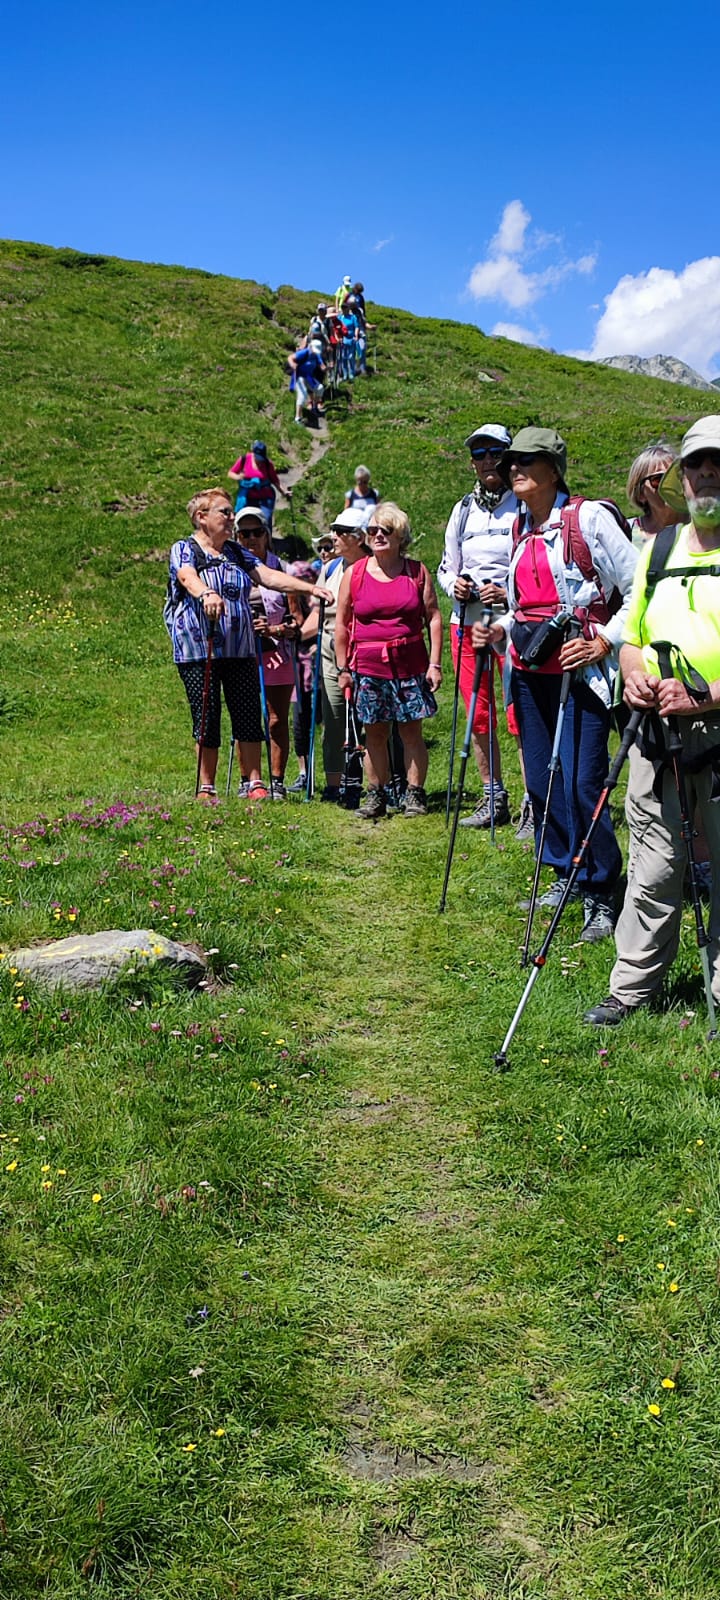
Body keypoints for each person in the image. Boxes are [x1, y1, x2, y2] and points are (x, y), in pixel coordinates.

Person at [471, 428, 637, 940]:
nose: (513, 468)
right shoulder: (522, 527)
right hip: (529, 673)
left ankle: (600, 888)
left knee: (583, 782)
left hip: (579, 673)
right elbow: (525, 607)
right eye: (511, 461)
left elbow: (639, 587)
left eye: (527, 459)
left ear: (554, 468)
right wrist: (498, 629)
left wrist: (603, 642)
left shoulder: (588, 519)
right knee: (543, 781)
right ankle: (566, 871)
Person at [585, 417, 720, 1023]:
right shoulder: (659, 550)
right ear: (682, 479)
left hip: (715, 727)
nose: (707, 473)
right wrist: (634, 673)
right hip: (658, 733)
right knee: (654, 863)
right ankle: (630, 988)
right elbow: (633, 635)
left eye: (718, 464)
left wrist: (705, 695)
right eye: (697, 465)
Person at [166, 488, 331, 802]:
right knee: (207, 716)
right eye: (224, 512)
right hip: (200, 650)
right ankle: (206, 786)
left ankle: (255, 783)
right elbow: (187, 577)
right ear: (201, 517)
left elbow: (268, 575)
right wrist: (206, 594)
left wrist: (310, 589)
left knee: (247, 714)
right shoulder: (185, 549)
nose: (231, 518)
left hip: (241, 648)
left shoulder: (235, 552)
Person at [437, 423, 524, 833]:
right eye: (478, 454)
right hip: (468, 623)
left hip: (511, 624)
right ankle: (493, 796)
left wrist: (507, 591)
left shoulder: (522, 505)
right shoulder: (462, 510)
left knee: (520, 712)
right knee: (478, 714)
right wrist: (454, 585)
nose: (487, 460)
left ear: (508, 457)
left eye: (495, 453)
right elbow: (445, 567)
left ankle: (535, 802)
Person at [335, 502, 443, 819]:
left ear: (400, 537)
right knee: (375, 734)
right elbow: (342, 623)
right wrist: (343, 668)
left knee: (411, 733)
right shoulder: (355, 574)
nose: (379, 535)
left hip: (410, 666)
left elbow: (434, 617)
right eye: (373, 530)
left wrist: (435, 664)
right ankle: (376, 794)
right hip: (368, 668)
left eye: (387, 530)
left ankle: (414, 794)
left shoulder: (416, 572)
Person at [302, 509, 371, 802]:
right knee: (333, 718)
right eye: (334, 530)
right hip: (331, 651)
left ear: (359, 537)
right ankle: (334, 785)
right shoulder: (330, 568)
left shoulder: (374, 566)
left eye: (341, 531)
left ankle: (379, 783)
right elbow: (317, 613)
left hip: (365, 651)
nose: (334, 536)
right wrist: (295, 634)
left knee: (372, 721)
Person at [234, 507, 303, 798]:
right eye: (244, 533)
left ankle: (276, 780)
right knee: (245, 718)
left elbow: (297, 620)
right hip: (241, 653)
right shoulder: (231, 571)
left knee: (276, 719)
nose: (251, 538)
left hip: (277, 654)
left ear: (267, 535)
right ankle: (248, 780)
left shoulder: (281, 571)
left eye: (257, 532)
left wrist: (275, 629)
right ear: (237, 537)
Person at [227, 441, 291, 528]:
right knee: (246, 520)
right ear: (253, 453)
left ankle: (266, 535)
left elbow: (275, 481)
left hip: (265, 498)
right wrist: (239, 477)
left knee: (265, 519)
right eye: (257, 458)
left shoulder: (268, 464)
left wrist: (283, 492)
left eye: (261, 458)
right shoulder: (244, 459)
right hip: (248, 498)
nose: (260, 461)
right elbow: (231, 473)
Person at [626, 443, 678, 549]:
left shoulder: (702, 530)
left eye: (675, 477)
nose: (669, 485)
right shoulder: (625, 534)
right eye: (658, 479)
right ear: (640, 493)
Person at [288, 341, 326, 426]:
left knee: (320, 388)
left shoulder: (316, 355)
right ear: (310, 347)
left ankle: (314, 408)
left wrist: (325, 368)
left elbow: (321, 365)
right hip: (299, 376)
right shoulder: (304, 353)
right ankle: (297, 418)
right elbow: (290, 357)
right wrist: (293, 364)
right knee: (302, 394)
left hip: (308, 377)